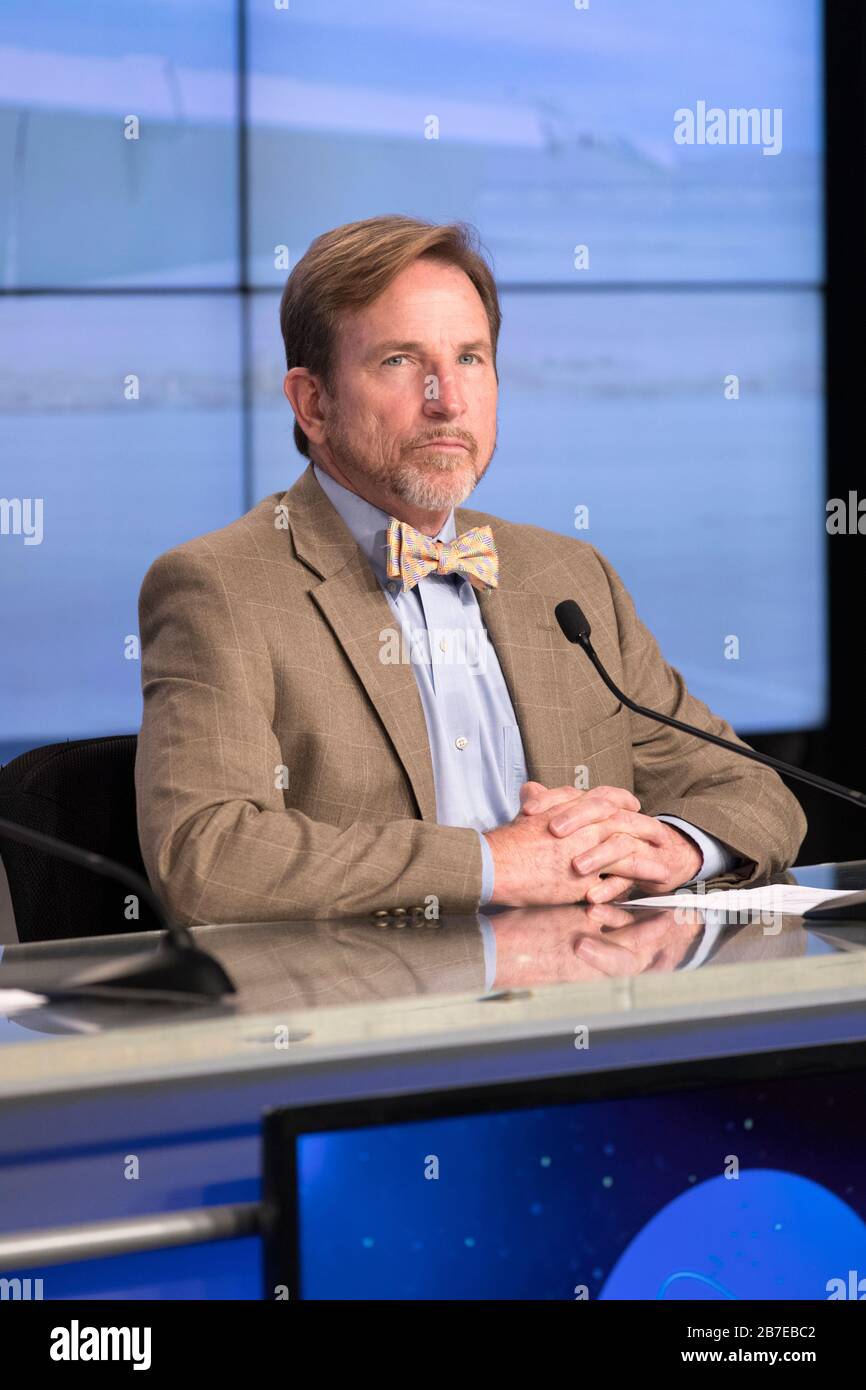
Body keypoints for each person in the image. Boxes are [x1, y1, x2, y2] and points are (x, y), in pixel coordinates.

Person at [135, 215, 806, 924]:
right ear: (313, 403)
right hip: (368, 1024)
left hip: (594, 1006)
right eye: (399, 361)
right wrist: (495, 864)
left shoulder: (569, 576)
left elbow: (755, 792)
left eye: (470, 359)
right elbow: (206, 859)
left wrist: (671, 845)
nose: (447, 400)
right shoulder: (221, 587)